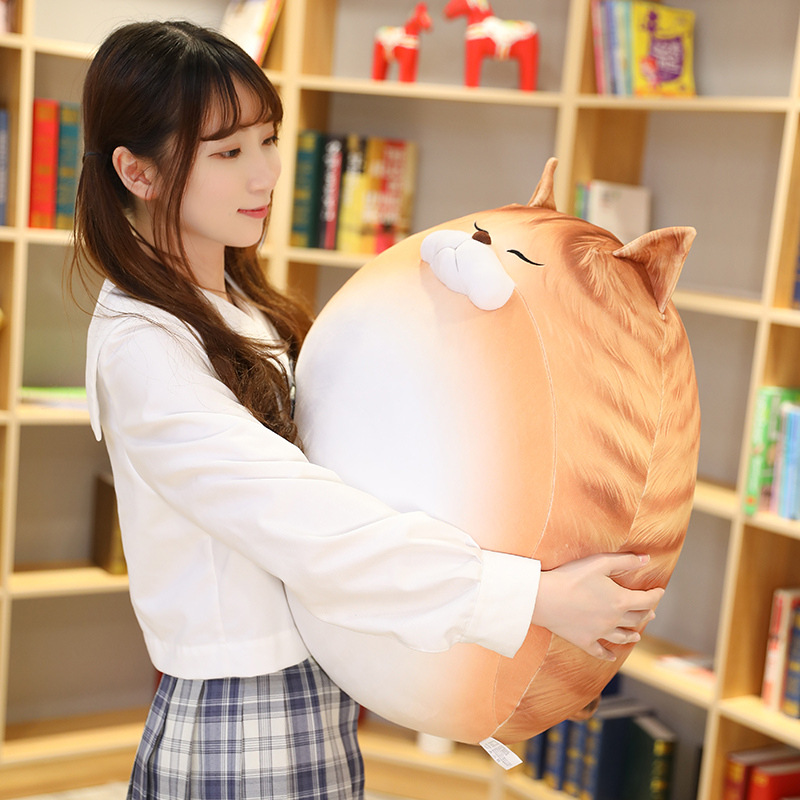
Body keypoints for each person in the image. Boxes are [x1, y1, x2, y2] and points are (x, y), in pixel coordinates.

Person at [71, 20, 664, 800]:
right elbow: (309, 524)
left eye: (268, 140)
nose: (266, 173)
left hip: (311, 696)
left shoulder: (241, 305)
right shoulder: (143, 348)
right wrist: (531, 599)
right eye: (228, 152)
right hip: (242, 719)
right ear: (137, 172)